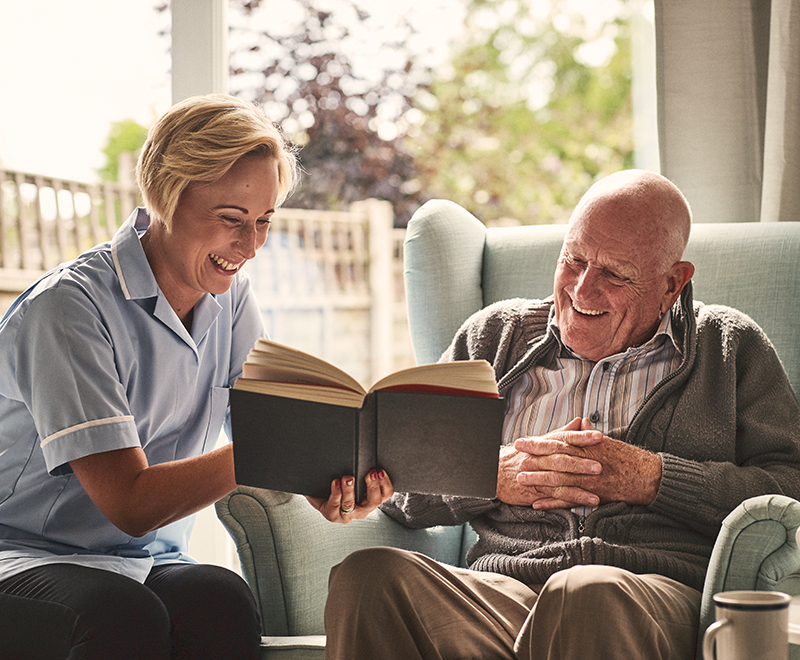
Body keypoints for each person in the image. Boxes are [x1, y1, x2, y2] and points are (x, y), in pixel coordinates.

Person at [323, 169, 800, 660]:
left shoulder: (728, 347)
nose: (581, 290)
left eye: (614, 274)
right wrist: (487, 474)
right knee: (370, 577)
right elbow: (399, 490)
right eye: (573, 259)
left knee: (586, 593)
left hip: (650, 595)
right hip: (504, 593)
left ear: (672, 284)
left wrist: (652, 478)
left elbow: (790, 486)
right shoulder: (494, 338)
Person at [0, 94, 392, 660]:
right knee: (120, 616)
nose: (251, 246)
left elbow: (269, 431)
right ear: (165, 197)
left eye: (263, 223)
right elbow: (130, 503)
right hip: (23, 557)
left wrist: (330, 484)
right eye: (231, 220)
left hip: (139, 561)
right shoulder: (69, 310)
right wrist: (267, 447)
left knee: (220, 598)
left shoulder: (231, 303)